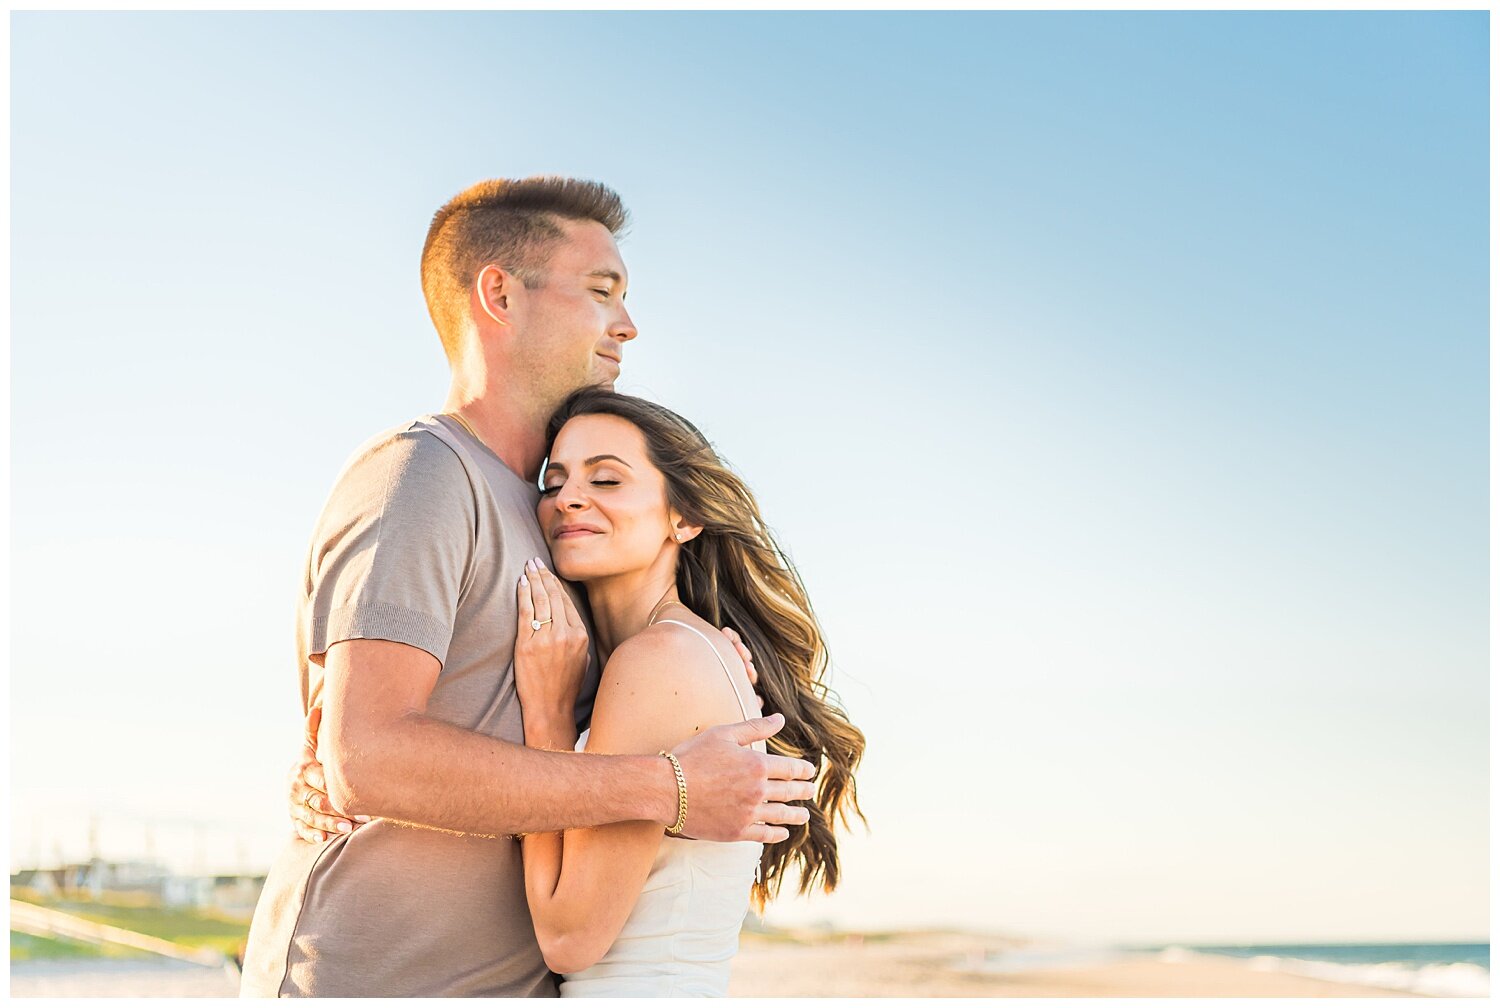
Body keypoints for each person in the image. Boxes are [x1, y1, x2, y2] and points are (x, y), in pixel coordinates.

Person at [239, 177, 818, 998]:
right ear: (500, 295)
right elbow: (364, 757)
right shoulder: (425, 473)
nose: (628, 324)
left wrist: (712, 665)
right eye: (600, 291)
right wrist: (671, 786)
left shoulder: (558, 521)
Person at [303, 388, 866, 996]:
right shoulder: (672, 654)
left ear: (684, 517)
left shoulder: (658, 661)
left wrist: (546, 714)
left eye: (607, 481)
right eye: (555, 480)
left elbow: (569, 938)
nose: (570, 497)